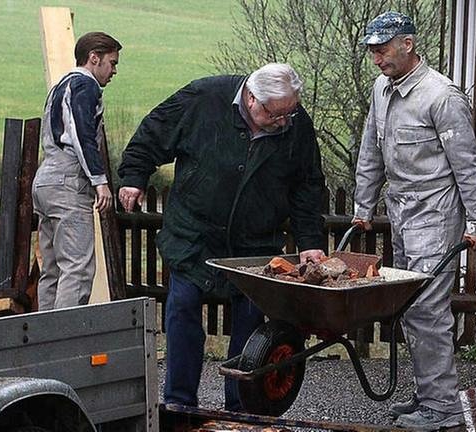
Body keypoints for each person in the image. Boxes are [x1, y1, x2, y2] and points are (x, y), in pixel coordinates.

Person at [117, 63, 327, 412]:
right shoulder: (203, 98)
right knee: (182, 308)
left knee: (249, 325)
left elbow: (307, 185)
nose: (284, 122)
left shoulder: (296, 123)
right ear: (251, 98)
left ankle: (241, 407)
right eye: (277, 115)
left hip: (255, 242)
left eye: (290, 113)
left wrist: (310, 241)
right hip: (193, 236)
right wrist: (133, 175)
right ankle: (179, 404)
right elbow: (153, 132)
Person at [353, 12, 476, 431]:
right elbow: (370, 152)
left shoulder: (441, 96)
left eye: (382, 50)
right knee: (411, 306)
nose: (377, 59)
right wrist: (363, 206)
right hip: (401, 213)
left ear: (408, 44)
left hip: (436, 214)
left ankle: (443, 410)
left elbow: (468, 165)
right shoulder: (383, 89)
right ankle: (429, 395)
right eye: (372, 52)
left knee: (428, 311)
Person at [32, 32, 122, 310]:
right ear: (94, 58)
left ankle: (44, 342)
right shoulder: (86, 86)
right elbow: (82, 135)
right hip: (69, 182)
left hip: (46, 178)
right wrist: (100, 182)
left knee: (52, 271)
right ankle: (65, 344)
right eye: (112, 62)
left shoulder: (60, 86)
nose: (114, 71)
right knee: (77, 270)